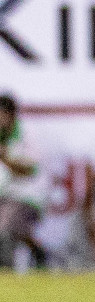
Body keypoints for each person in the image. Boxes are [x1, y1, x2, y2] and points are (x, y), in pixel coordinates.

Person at [0, 94, 44, 271]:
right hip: (5, 195)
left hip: (27, 196)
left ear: (10, 114)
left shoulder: (27, 135)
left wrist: (6, 159)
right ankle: (38, 252)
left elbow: (29, 171)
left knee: (4, 229)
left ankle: (5, 272)